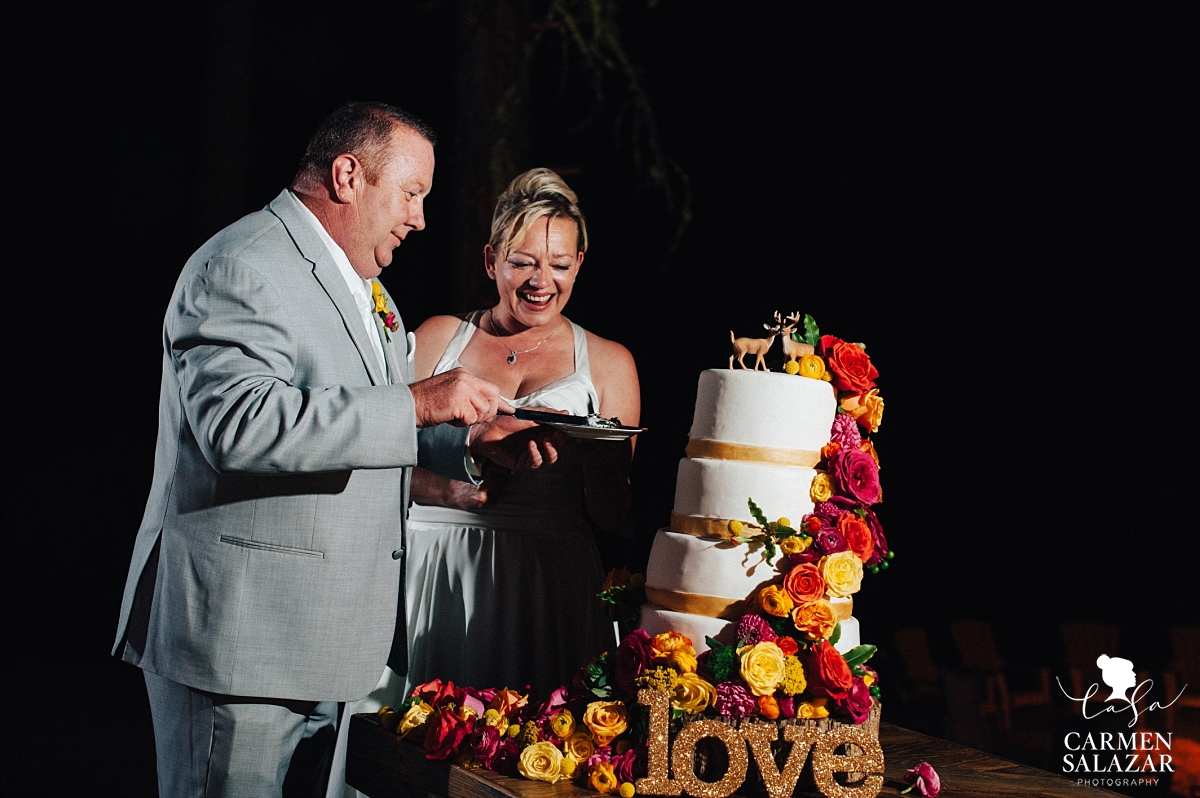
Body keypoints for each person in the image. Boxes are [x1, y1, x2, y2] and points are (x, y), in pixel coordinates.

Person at [111, 102, 549, 798]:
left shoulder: (370, 292)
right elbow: (240, 425)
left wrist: (467, 441)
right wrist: (416, 402)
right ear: (348, 175)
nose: (419, 218)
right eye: (411, 194)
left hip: (328, 645)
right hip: (242, 646)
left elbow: (354, 424)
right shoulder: (242, 265)